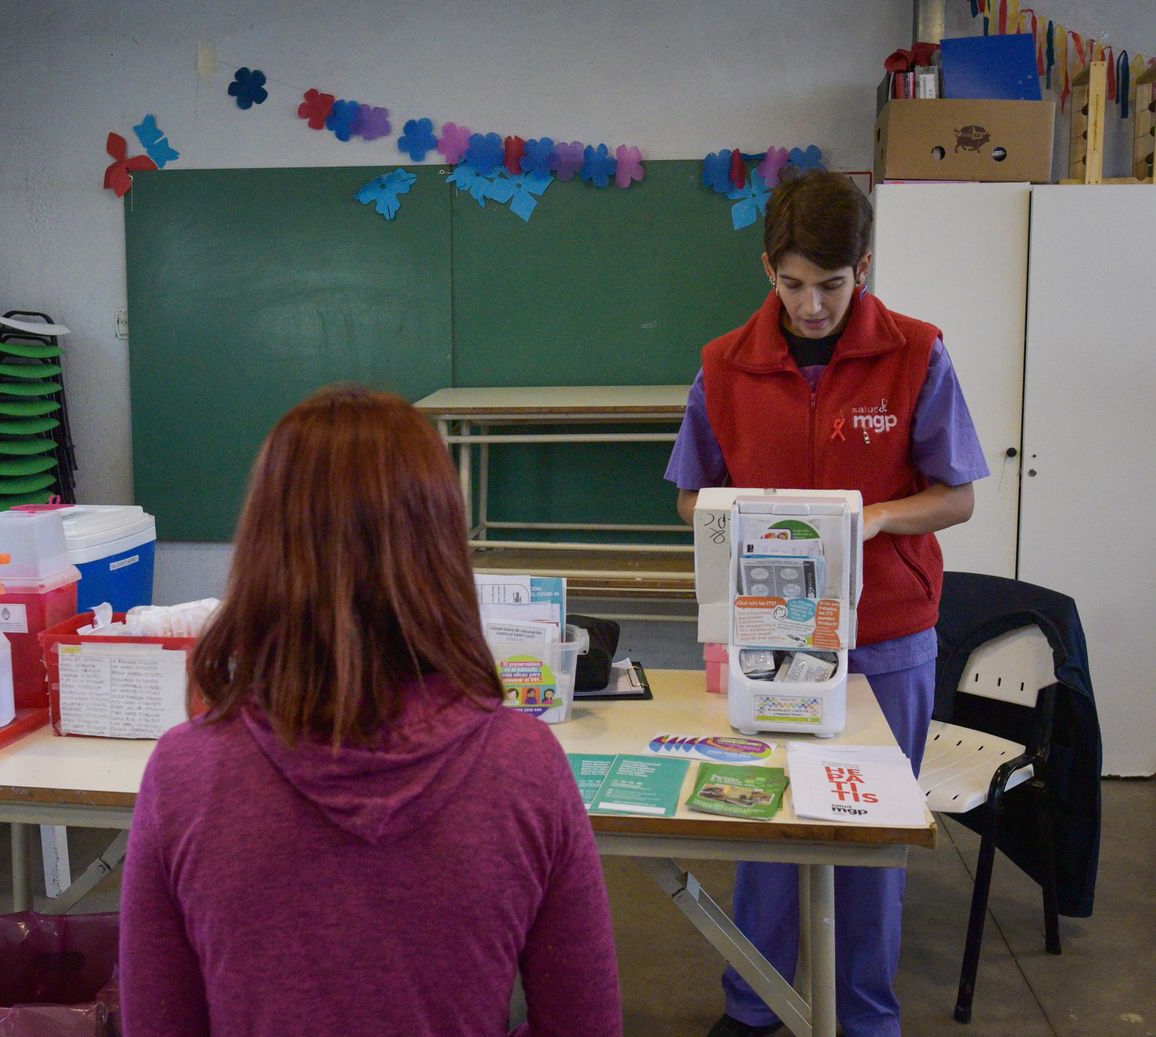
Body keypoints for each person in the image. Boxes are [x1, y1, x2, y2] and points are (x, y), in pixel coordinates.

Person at [120, 385, 623, 1037]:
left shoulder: (185, 776)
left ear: (266, 548)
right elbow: (586, 1024)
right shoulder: (524, 766)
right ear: (441, 551)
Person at [665, 170, 989, 1037]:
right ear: (768, 267)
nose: (812, 306)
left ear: (865, 268)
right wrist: (759, 520)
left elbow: (957, 495)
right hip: (768, 631)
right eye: (794, 284)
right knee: (765, 825)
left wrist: (871, 517)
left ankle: (865, 1017)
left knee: (869, 843)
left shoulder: (918, 352)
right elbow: (694, 497)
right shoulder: (724, 364)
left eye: (833, 286)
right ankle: (755, 1008)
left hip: (886, 634)